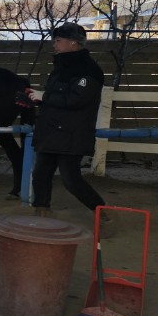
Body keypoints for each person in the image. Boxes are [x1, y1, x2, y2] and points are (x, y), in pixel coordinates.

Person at [28, 22, 106, 216]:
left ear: (73, 43)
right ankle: (42, 212)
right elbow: (62, 98)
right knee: (40, 174)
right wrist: (38, 99)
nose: (54, 44)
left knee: (71, 179)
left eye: (58, 40)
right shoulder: (62, 67)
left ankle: (103, 212)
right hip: (54, 131)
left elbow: (75, 100)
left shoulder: (88, 70)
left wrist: (44, 97)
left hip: (72, 134)